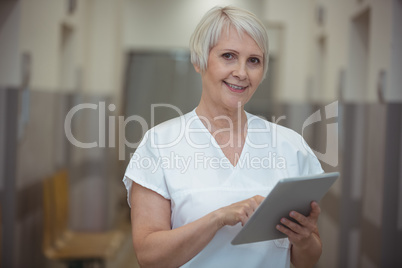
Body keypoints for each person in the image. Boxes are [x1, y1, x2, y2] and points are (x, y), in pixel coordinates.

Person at [123, 6, 324, 268]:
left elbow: (308, 260)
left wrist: (305, 239)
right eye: (228, 56)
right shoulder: (159, 144)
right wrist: (218, 218)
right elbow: (149, 257)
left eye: (254, 60)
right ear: (199, 61)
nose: (241, 72)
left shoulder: (291, 147)